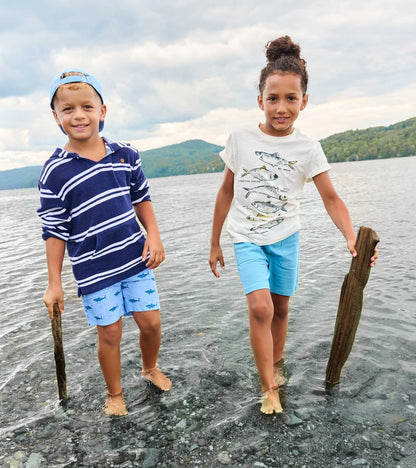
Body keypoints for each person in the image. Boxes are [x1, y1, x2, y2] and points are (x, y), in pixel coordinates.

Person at [209, 36, 377, 414]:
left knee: (281, 309)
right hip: (247, 238)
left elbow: (331, 198)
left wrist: (351, 238)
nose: (280, 108)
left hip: (287, 238)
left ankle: (277, 362)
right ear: (260, 101)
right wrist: (215, 242)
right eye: (273, 98)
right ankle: (268, 385)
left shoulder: (308, 148)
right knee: (260, 309)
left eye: (290, 98)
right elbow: (225, 191)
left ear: (303, 101)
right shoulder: (240, 138)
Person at [38, 69, 171, 416]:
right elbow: (54, 230)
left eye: (86, 106)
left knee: (151, 323)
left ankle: (149, 368)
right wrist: (55, 283)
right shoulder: (55, 171)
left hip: (135, 257)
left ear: (102, 110)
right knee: (110, 332)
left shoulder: (125, 154)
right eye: (68, 109)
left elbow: (142, 198)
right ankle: (115, 393)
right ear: (57, 118)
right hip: (94, 269)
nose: (78, 115)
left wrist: (153, 235)